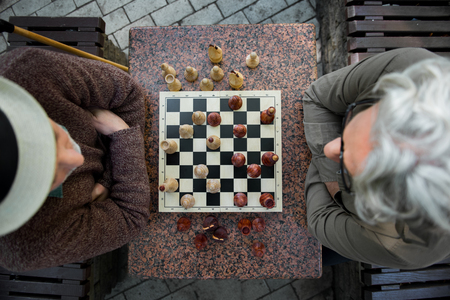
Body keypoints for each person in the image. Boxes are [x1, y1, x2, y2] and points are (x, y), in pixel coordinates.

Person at [0, 48, 150, 272]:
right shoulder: (25, 247)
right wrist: (120, 132)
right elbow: (131, 219)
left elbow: (128, 94)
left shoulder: (26, 73)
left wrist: (109, 180)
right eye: (49, 177)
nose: (77, 158)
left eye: (53, 136)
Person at [304, 48, 450, 269]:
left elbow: (319, 220)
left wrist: (340, 195)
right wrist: (337, 180)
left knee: (309, 254)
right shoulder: (406, 70)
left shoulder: (403, 245)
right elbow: (317, 98)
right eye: (357, 116)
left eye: (354, 175)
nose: (329, 149)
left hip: (361, 235)